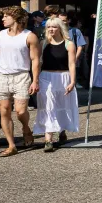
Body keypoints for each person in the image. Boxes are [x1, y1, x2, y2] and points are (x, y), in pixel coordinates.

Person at [0, 6, 40, 156]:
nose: (2, 19)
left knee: (20, 111)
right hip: (1, 76)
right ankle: (11, 146)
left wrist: (35, 80)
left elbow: (35, 60)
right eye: (2, 16)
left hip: (21, 76)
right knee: (4, 110)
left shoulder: (29, 36)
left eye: (6, 16)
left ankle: (25, 128)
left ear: (16, 18)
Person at [34, 17, 79, 152]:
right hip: (46, 77)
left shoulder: (69, 44)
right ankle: (48, 139)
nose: (51, 29)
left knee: (62, 105)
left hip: (63, 76)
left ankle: (61, 130)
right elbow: (39, 62)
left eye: (54, 27)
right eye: (48, 27)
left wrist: (72, 81)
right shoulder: (43, 43)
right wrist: (35, 79)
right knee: (48, 106)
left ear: (60, 28)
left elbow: (72, 64)